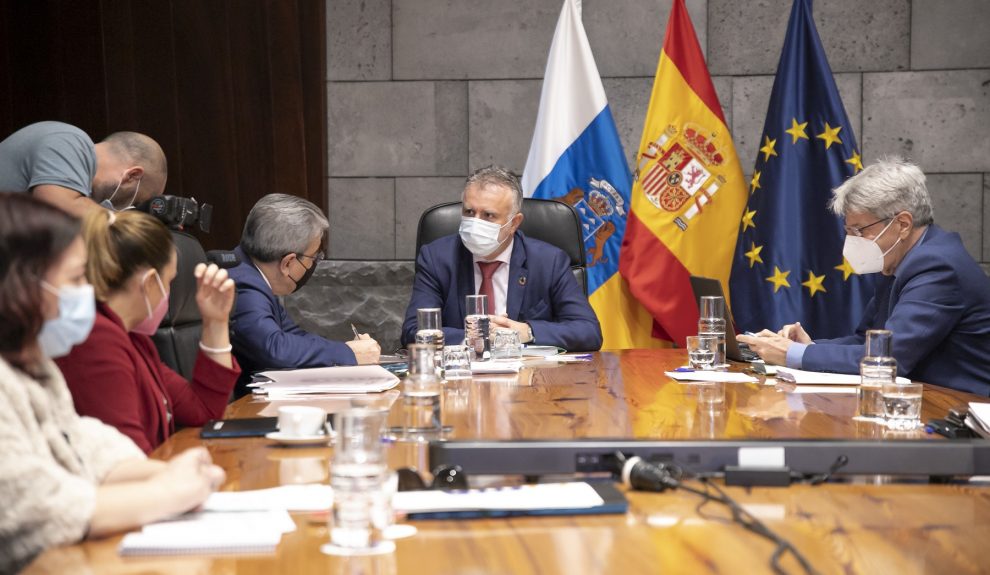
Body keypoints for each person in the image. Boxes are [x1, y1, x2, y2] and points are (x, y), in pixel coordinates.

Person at [0, 193, 225, 572]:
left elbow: (80, 440)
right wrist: (167, 491)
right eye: (75, 279)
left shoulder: (33, 366)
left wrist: (165, 474)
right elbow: (30, 506)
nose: (87, 293)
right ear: (21, 286)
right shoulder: (89, 340)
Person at [738, 158, 990, 395]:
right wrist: (808, 348)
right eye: (848, 231)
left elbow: (888, 359)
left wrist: (792, 353)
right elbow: (865, 339)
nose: (851, 241)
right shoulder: (900, 259)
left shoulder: (936, 266)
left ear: (902, 224)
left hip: (961, 411)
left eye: (859, 230)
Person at [55, 210, 240, 453]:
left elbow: (203, 410)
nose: (170, 292)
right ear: (151, 281)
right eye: (171, 281)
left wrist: (215, 322)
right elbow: (126, 456)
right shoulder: (97, 337)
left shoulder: (133, 338)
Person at [401, 165, 602, 351]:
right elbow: (414, 331)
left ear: (514, 223)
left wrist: (527, 332)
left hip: (529, 381)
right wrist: (473, 338)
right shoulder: (437, 258)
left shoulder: (549, 261)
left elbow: (588, 332)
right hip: (460, 377)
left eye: (488, 215)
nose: (475, 222)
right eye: (469, 212)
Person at [227, 194, 381, 386]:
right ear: (288, 262)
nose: (313, 264)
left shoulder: (252, 274)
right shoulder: (242, 284)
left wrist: (349, 350)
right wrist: (348, 353)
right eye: (313, 258)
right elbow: (275, 349)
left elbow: (293, 336)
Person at [0, 121, 168, 217]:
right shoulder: (71, 141)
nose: (130, 208)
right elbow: (57, 209)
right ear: (132, 176)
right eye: (136, 202)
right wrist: (128, 225)